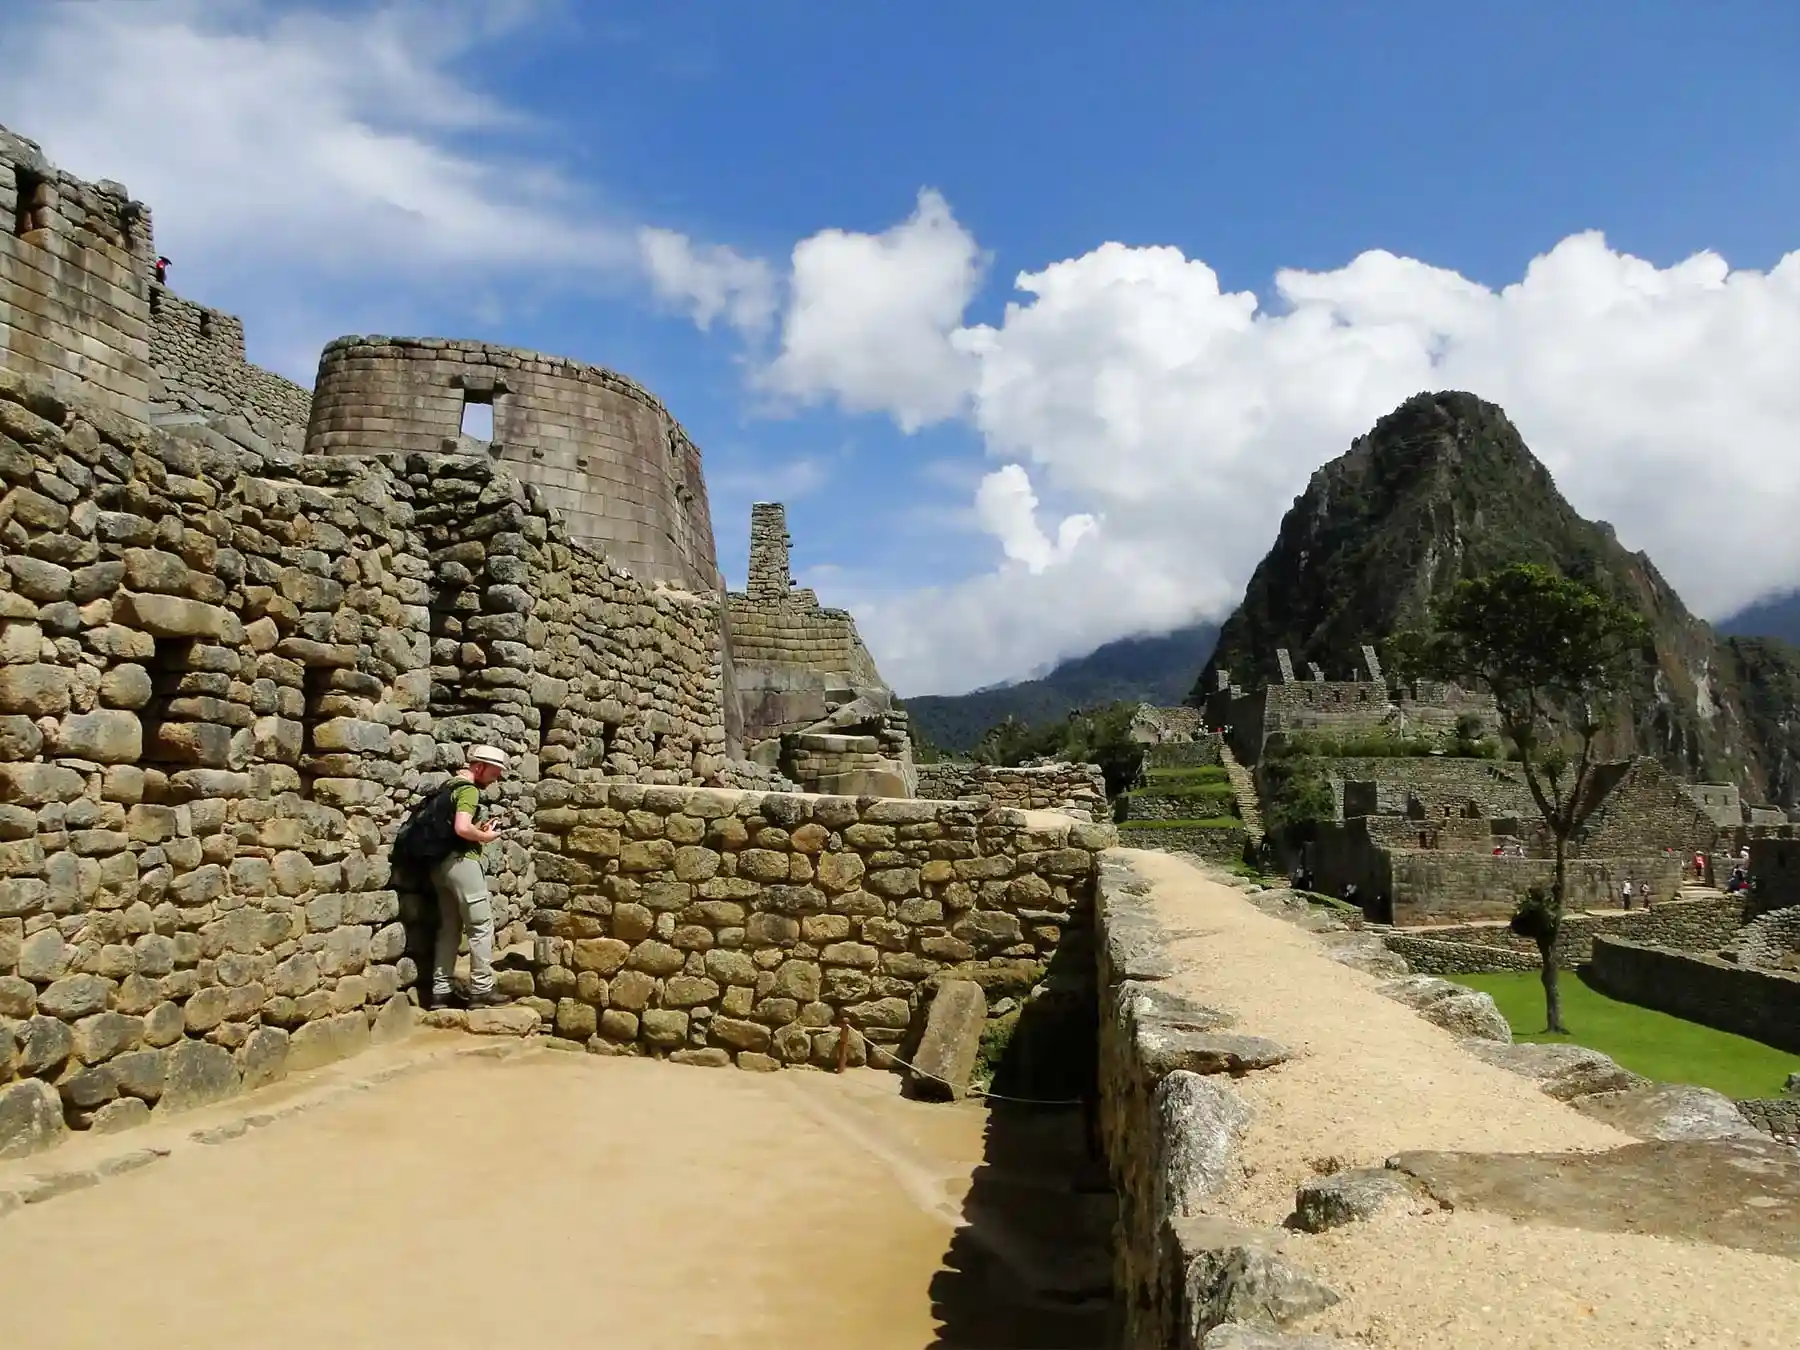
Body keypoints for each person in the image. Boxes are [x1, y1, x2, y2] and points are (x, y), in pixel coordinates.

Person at [430, 744, 510, 1009]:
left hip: (438, 866)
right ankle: (481, 989)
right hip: (462, 863)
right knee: (480, 925)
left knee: (449, 927)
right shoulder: (469, 790)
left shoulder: (447, 788)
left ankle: (440, 992)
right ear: (479, 767)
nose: (496, 778)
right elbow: (462, 828)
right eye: (494, 773)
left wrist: (476, 830)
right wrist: (485, 836)